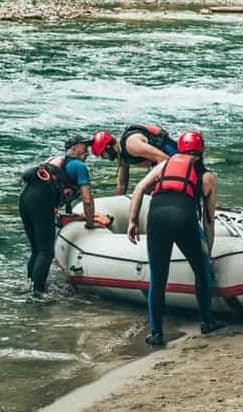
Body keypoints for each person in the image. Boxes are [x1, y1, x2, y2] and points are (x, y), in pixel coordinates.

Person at [127, 131, 224, 346]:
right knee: (200, 270)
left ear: (180, 149)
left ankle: (156, 333)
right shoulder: (207, 177)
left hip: (156, 217)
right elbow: (209, 220)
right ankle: (207, 322)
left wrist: (132, 220)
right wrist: (208, 250)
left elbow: (139, 188)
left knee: (158, 277)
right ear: (202, 151)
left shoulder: (164, 165)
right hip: (183, 218)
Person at [19, 136, 96, 296]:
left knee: (36, 249)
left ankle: (30, 285)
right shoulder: (79, 166)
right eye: (84, 147)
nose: (87, 151)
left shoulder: (55, 162)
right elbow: (87, 199)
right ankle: (37, 295)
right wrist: (90, 223)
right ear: (73, 149)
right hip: (40, 202)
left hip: (25, 198)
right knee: (46, 252)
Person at [91, 124, 178, 195]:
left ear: (108, 147)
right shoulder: (122, 156)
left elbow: (164, 160)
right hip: (163, 165)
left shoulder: (131, 145)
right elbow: (122, 185)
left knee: (144, 189)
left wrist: (146, 188)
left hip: (175, 160)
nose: (103, 158)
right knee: (144, 190)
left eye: (102, 154)